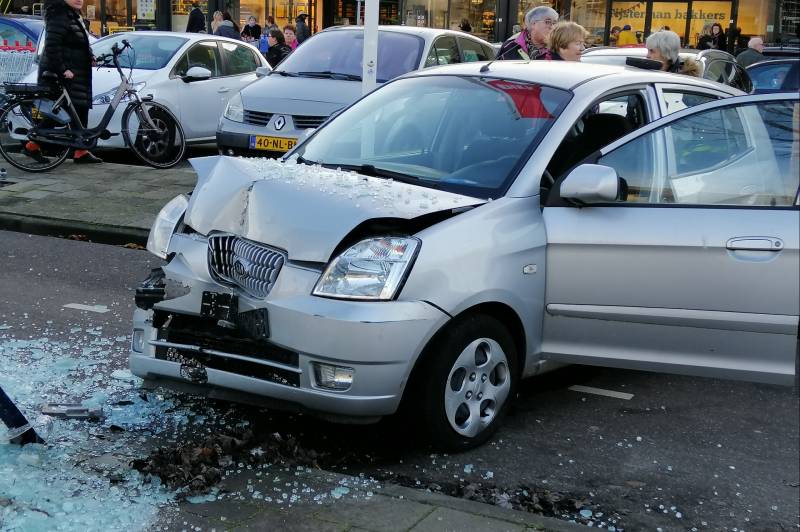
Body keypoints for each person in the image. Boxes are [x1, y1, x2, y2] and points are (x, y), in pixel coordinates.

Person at [29, 0, 101, 164]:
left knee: (80, 109)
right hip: (62, 74)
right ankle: (32, 144)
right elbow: (52, 46)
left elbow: (78, 42)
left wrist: (90, 55)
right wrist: (63, 69)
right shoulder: (59, 15)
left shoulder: (73, 15)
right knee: (61, 112)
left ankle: (81, 151)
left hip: (77, 72)